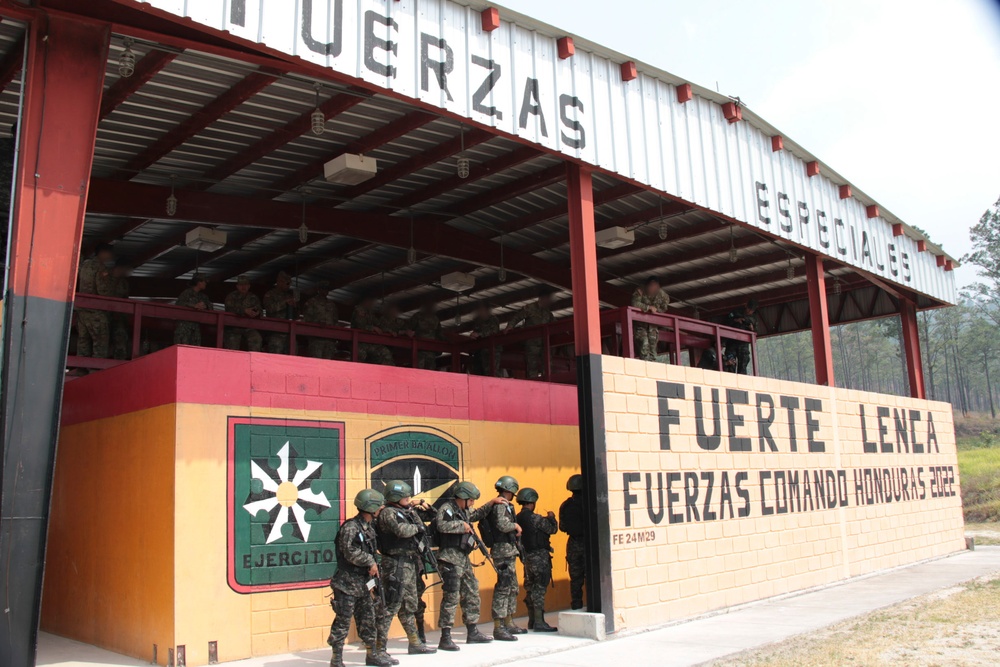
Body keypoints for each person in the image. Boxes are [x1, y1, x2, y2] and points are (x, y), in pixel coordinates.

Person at [434, 481, 509, 651]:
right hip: (449, 559)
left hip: (463, 559)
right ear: (463, 498)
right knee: (451, 597)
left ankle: (472, 631)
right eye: (471, 500)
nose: (473, 503)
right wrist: (462, 525)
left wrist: (491, 503)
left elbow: (475, 515)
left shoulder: (464, 510)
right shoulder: (447, 509)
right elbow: (441, 525)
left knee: (472, 592)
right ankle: (445, 637)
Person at [328, 489, 392, 667]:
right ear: (370, 507)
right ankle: (337, 659)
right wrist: (370, 561)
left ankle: (372, 654)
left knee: (368, 620)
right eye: (378, 505)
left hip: (364, 584)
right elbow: (349, 552)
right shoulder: (351, 527)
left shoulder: (369, 527)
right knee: (343, 621)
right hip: (347, 584)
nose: (381, 508)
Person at [375, 480, 437, 656]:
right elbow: (401, 530)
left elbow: (427, 522)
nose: (409, 498)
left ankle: (415, 642)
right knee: (391, 606)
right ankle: (379, 648)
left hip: (409, 563)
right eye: (406, 496)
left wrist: (415, 509)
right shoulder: (388, 512)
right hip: (395, 564)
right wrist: (417, 527)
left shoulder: (405, 512)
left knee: (409, 605)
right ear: (396, 497)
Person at [486, 476, 525, 641]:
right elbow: (502, 525)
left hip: (509, 550)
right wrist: (515, 526)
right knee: (503, 587)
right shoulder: (501, 505)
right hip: (502, 551)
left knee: (512, 587)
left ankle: (508, 621)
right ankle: (498, 626)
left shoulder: (506, 505)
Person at [515, 488, 558, 632]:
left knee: (530, 588)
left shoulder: (517, 517)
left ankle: (532, 621)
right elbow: (552, 530)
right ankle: (539, 622)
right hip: (539, 557)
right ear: (532, 502)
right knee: (539, 589)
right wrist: (552, 517)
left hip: (526, 558)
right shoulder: (535, 518)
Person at [75, 242, 115, 358]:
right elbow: (103, 290)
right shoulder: (101, 268)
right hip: (96, 312)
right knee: (100, 346)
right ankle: (95, 372)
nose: (111, 256)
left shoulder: (85, 264)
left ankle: (80, 371)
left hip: (82, 311)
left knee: (83, 344)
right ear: (103, 253)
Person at [507, 290, 554, 378]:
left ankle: (548, 383)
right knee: (532, 368)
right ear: (542, 298)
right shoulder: (530, 308)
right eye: (548, 298)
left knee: (547, 366)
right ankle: (534, 387)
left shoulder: (547, 312)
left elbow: (554, 324)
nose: (549, 301)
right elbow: (517, 317)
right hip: (532, 344)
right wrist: (510, 326)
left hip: (544, 344)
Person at [559, 474, 587, 610]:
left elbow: (562, 527)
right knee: (590, 575)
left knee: (575, 578)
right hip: (589, 543)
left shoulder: (565, 505)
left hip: (573, 544)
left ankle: (576, 604)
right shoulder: (590, 501)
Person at [631, 276, 671, 362]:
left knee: (653, 348)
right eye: (651, 285)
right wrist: (648, 307)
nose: (653, 288)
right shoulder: (640, 291)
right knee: (644, 345)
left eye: (655, 285)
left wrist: (657, 310)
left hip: (653, 326)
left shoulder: (662, 295)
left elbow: (664, 308)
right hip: (641, 325)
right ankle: (646, 365)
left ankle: (652, 366)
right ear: (647, 285)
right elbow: (634, 303)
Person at [223, 275, 263, 351]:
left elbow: (260, 311)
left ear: (249, 286)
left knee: (256, 338)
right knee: (232, 342)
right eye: (241, 285)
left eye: (245, 285)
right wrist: (244, 311)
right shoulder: (231, 296)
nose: (243, 287)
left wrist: (256, 313)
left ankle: (254, 360)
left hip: (248, 327)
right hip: (233, 327)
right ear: (237, 286)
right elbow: (229, 308)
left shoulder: (253, 298)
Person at [263, 271, 298, 354]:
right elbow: (270, 308)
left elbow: (296, 315)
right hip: (275, 332)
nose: (288, 285)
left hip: (289, 333)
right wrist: (284, 303)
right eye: (286, 283)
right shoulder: (270, 294)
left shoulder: (289, 296)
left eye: (289, 283)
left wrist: (295, 306)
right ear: (279, 282)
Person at [352, 295, 393, 365]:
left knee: (385, 352)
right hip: (359, 342)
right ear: (366, 301)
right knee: (361, 354)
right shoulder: (359, 309)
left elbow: (378, 324)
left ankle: (387, 373)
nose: (372, 304)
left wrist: (388, 330)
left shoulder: (369, 313)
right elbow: (360, 325)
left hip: (369, 343)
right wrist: (372, 328)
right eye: (371, 301)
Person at [174, 274, 213, 346]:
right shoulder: (186, 293)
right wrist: (194, 306)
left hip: (196, 327)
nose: (205, 283)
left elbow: (211, 308)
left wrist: (205, 306)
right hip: (184, 327)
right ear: (198, 282)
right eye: (204, 281)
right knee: (183, 347)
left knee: (194, 348)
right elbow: (179, 304)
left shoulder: (203, 296)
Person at [302, 280, 339, 359]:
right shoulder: (312, 302)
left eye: (326, 289)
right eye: (323, 288)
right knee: (316, 363)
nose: (325, 291)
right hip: (316, 339)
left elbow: (335, 321)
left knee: (328, 364)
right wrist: (317, 323)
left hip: (329, 340)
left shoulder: (332, 305)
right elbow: (307, 319)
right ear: (318, 289)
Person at [724, 299, 758, 375]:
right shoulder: (735, 312)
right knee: (730, 365)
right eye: (748, 309)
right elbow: (725, 322)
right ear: (746, 305)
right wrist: (736, 320)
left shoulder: (753, 318)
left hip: (743, 345)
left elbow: (756, 333)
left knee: (743, 366)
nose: (749, 311)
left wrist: (752, 328)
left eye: (751, 310)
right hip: (732, 342)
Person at [109, 257, 133, 360]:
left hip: (119, 320)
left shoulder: (124, 283)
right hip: (104, 317)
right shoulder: (106, 279)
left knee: (120, 344)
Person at [469, 301, 501, 377]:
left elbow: (494, 331)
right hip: (479, 352)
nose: (479, 312)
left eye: (481, 309)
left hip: (491, 351)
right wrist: (473, 336)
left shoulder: (493, 319)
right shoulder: (478, 321)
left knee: (491, 373)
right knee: (478, 374)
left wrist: (479, 334)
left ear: (486, 310)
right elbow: (475, 333)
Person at [409, 301, 444, 371]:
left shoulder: (435, 319)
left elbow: (439, 333)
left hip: (431, 350)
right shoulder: (418, 316)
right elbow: (409, 328)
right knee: (419, 370)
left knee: (430, 371)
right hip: (419, 349)